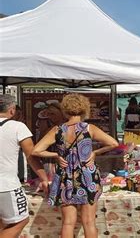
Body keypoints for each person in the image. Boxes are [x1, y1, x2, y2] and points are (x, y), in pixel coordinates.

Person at [32, 93, 118, 238]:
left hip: (65, 177)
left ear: (64, 109)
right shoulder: (89, 128)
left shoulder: (57, 130)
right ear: (85, 109)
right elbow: (114, 143)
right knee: (89, 222)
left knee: (67, 223)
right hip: (87, 176)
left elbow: (36, 150)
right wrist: (95, 152)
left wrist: (56, 156)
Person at [0, 95, 49, 237]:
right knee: (20, 221)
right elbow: (31, 156)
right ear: (12, 110)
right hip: (6, 185)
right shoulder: (17, 127)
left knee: (3, 223)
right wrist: (44, 178)